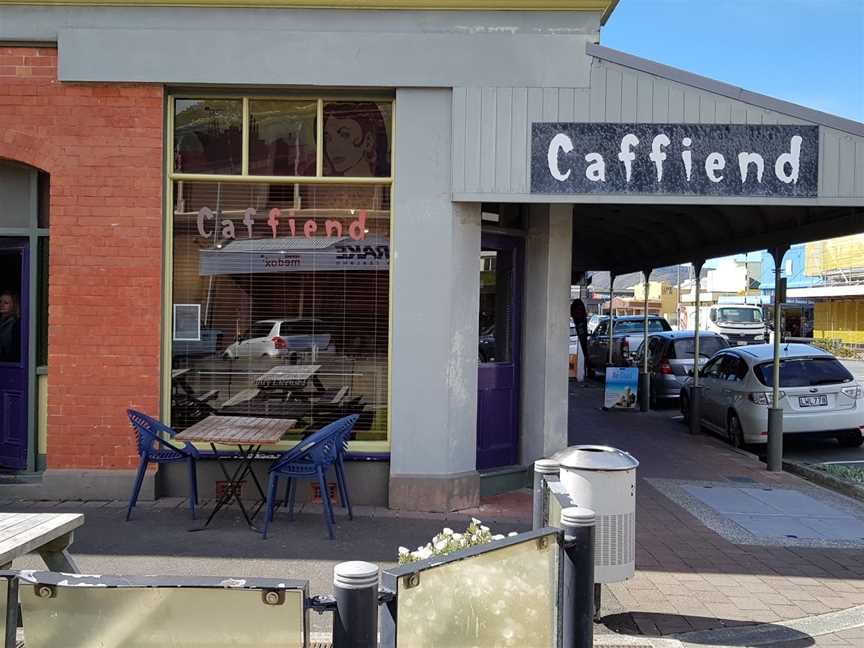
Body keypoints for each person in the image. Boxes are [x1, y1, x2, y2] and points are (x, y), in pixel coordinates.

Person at [570, 298, 591, 378]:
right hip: (582, 337)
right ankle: (586, 370)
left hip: (581, 337)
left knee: (584, 354)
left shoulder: (578, 320)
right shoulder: (582, 320)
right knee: (584, 353)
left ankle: (585, 370)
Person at [0, 291, 21, 363]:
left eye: (6, 303)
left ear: (14, 305)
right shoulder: (2, 322)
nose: (1, 305)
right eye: (0, 302)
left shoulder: (16, 324)